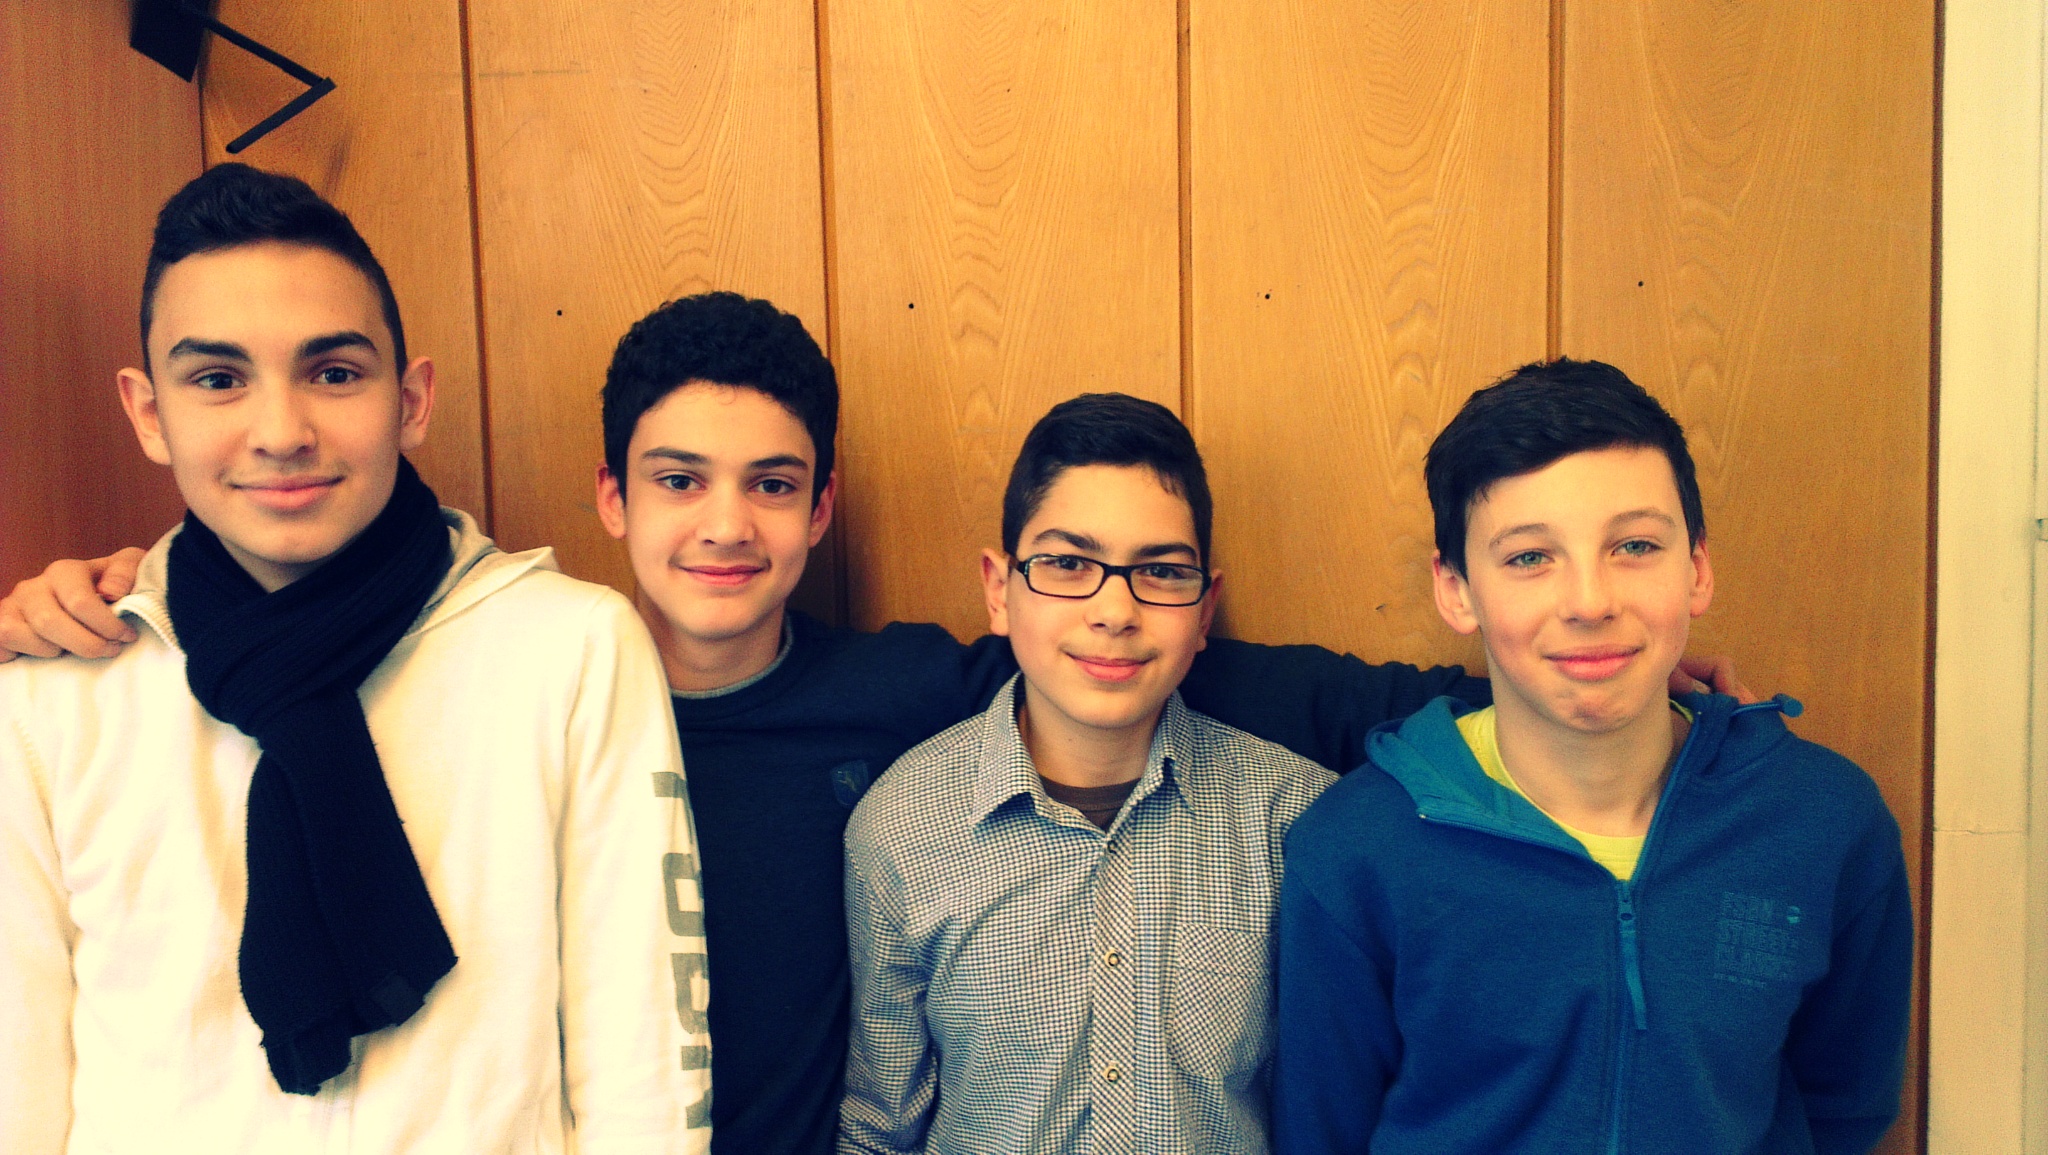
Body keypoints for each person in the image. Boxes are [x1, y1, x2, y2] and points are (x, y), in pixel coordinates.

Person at [0, 293, 1749, 1155]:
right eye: (678, 480)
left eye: (772, 483)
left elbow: (1192, 671)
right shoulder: (516, 685)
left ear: (822, 507)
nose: (725, 525)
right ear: (609, 498)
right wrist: (93, 597)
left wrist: (1554, 675)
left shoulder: (910, 697)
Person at [0, 164, 711, 1152]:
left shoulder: (570, 649)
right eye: (218, 379)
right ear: (149, 413)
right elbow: (18, 1075)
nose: (282, 432)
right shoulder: (55, 690)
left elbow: (645, 1074)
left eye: (334, 373)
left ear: (411, 399)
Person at [1272, 359, 1912, 1155]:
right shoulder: (1357, 847)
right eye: (1529, 557)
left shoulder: (1823, 820)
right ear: (1457, 588)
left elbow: (1845, 1106)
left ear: (1697, 568)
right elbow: (1321, 1131)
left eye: (1635, 545)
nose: (1589, 601)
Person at [840, 393, 1336, 1155]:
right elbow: (880, 1126)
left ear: (1206, 610)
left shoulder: (1295, 818)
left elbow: (1335, 1107)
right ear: (999, 589)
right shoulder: (901, 826)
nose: (1114, 610)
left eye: (1161, 571)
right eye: (1068, 563)